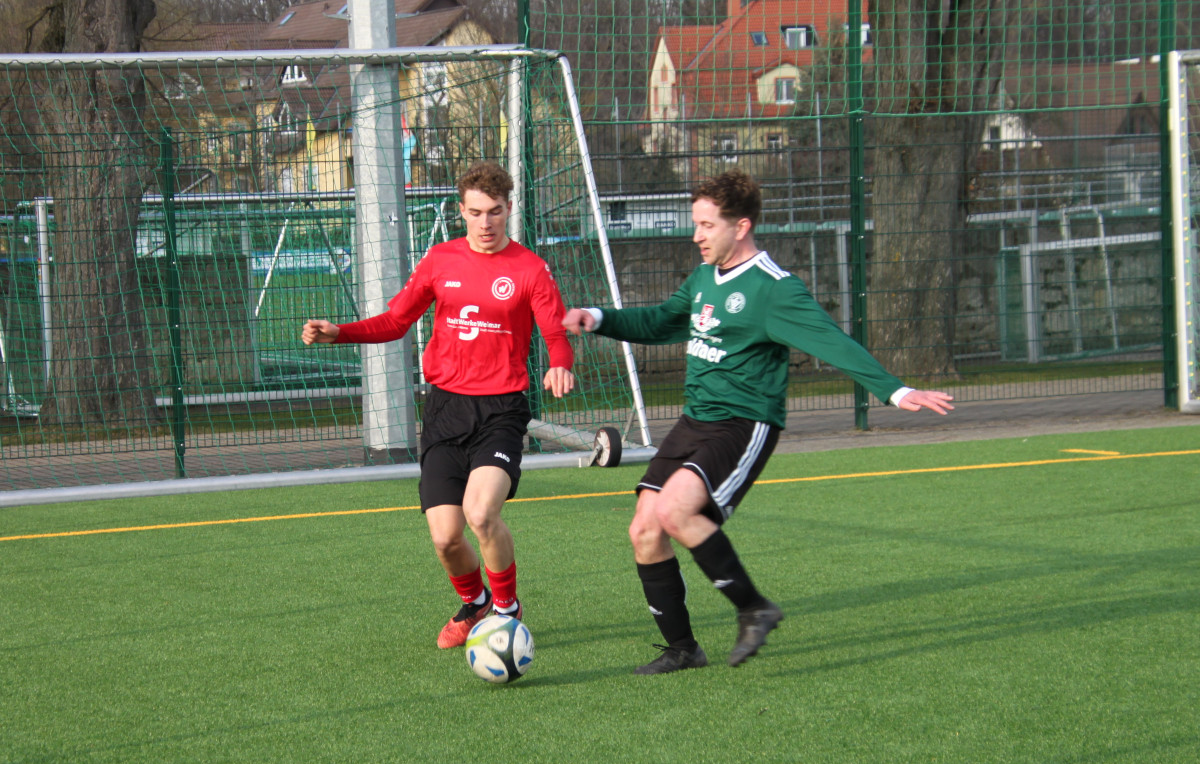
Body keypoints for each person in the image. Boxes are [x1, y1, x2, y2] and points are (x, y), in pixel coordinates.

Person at [563, 170, 953, 675]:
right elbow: (661, 322)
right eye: (696, 223)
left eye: (706, 225)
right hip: (695, 420)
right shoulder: (704, 278)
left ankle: (754, 609)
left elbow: (832, 340)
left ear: (740, 226)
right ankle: (683, 648)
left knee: (676, 512)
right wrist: (599, 317)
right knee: (644, 528)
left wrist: (895, 390)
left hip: (743, 424)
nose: (696, 235)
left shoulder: (775, 289)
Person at [303, 161, 575, 649]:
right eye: (475, 212)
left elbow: (553, 327)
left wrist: (560, 361)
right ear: (461, 212)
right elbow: (395, 320)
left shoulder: (529, 268)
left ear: (509, 209)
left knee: (481, 514)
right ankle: (475, 605)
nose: (486, 223)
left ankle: (507, 611)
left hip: (500, 411)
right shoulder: (440, 260)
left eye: (495, 212)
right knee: (446, 538)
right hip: (446, 410)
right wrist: (340, 333)